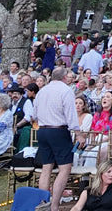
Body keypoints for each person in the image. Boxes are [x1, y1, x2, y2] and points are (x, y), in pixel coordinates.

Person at [33, 66, 83, 211]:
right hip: (58, 130)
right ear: (64, 77)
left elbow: (34, 114)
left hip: (42, 130)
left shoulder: (42, 91)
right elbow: (70, 114)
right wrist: (78, 133)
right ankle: (54, 206)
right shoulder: (65, 90)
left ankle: (44, 202)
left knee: (46, 167)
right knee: (64, 168)